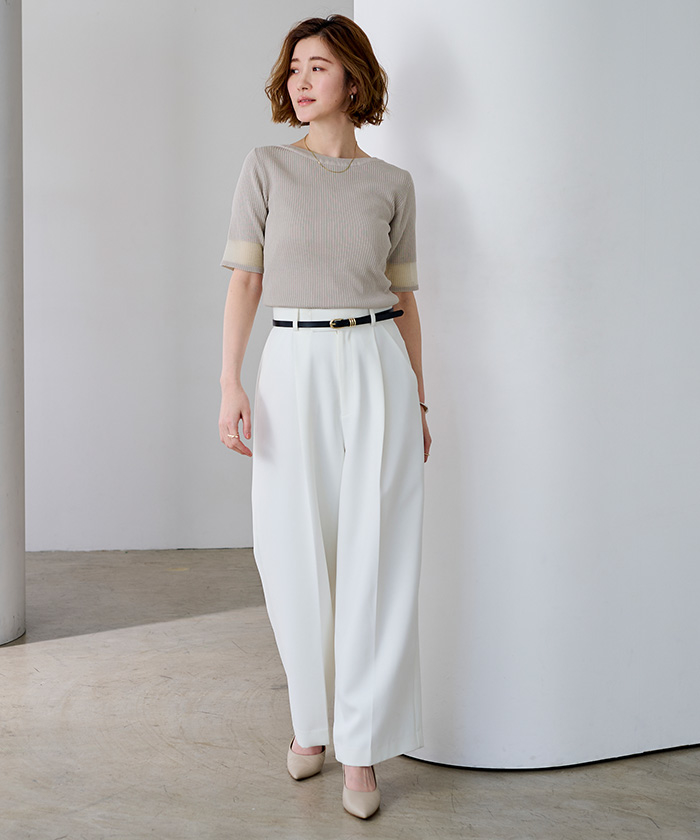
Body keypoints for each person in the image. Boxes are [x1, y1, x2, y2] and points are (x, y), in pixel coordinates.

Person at [218, 13, 431, 820]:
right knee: (290, 545)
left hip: (376, 359)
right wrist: (231, 384)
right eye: (295, 68)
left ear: (354, 79)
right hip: (292, 361)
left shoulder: (393, 184)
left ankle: (362, 747)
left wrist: (418, 397)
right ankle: (312, 724)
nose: (302, 81)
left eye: (319, 66)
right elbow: (244, 282)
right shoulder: (267, 166)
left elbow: (406, 301)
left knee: (378, 551)